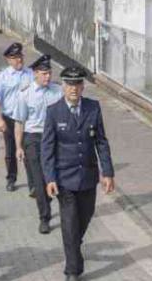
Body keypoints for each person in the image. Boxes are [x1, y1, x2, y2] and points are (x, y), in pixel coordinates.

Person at [41, 66, 115, 281]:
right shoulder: (53, 111)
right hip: (64, 179)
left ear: (82, 86)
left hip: (88, 177)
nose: (73, 89)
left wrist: (107, 172)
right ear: (63, 86)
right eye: (69, 84)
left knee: (85, 217)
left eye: (77, 84)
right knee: (69, 224)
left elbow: (101, 142)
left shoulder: (93, 107)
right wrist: (50, 178)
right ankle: (72, 270)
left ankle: (74, 246)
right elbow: (47, 148)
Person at [12, 55, 63, 234]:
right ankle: (45, 217)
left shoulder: (58, 91)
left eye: (49, 73)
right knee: (40, 181)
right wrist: (18, 147)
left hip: (55, 139)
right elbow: (19, 122)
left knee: (56, 176)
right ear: (35, 74)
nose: (47, 77)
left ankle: (58, 206)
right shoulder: (25, 94)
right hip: (33, 139)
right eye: (43, 73)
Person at [0, 42, 34, 192]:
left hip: (27, 119)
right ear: (8, 60)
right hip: (9, 118)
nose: (19, 60)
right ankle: (11, 178)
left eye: (20, 56)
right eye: (15, 58)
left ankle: (33, 183)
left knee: (29, 150)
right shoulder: (2, 77)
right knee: (10, 151)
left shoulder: (30, 74)